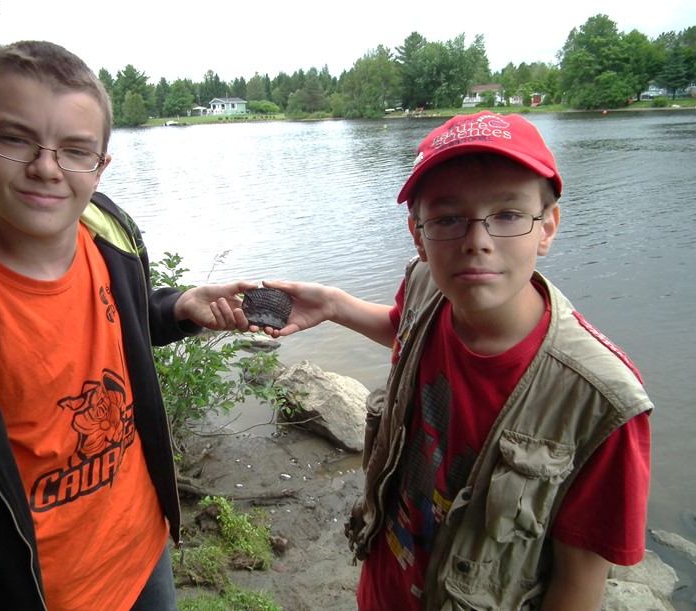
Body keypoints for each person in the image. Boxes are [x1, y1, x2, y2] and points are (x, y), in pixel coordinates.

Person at [0, 40, 255, 611]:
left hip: (142, 549)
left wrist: (177, 308)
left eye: (75, 149)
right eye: (14, 138)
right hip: (44, 592)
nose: (46, 167)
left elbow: (111, 328)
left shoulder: (109, 240)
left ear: (100, 165)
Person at [259, 111, 653, 610]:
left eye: (508, 214)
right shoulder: (426, 285)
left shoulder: (600, 402)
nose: (477, 240)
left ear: (547, 227)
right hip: (384, 590)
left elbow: (578, 583)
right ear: (418, 235)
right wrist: (336, 305)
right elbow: (404, 329)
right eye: (448, 219)